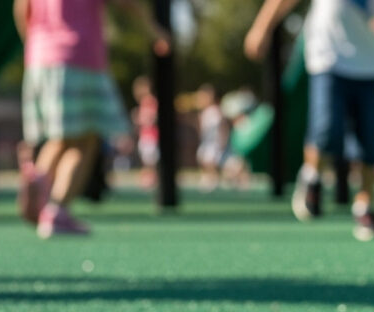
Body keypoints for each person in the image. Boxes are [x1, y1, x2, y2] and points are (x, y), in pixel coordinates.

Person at [245, 0, 374, 241]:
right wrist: (261, 28)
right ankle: (312, 176)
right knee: (327, 129)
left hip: (370, 63)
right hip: (329, 57)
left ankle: (365, 206)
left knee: (368, 142)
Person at [15, 0, 170, 239]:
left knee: (60, 137)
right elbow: (126, 4)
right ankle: (57, 210)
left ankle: (38, 178)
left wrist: (36, 43)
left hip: (39, 56)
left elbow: (22, 10)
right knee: (87, 139)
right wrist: (154, 31)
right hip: (79, 55)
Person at [195, 84, 229, 192]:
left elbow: (223, 126)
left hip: (214, 142)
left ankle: (213, 180)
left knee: (211, 161)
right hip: (207, 142)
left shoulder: (216, 111)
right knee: (203, 159)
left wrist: (223, 140)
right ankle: (209, 178)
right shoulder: (205, 112)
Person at [132, 76, 161, 189]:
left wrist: (141, 119)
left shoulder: (151, 101)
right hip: (145, 135)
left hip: (151, 135)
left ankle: (151, 178)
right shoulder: (144, 102)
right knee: (146, 159)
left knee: (150, 159)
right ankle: (148, 177)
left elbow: (151, 118)